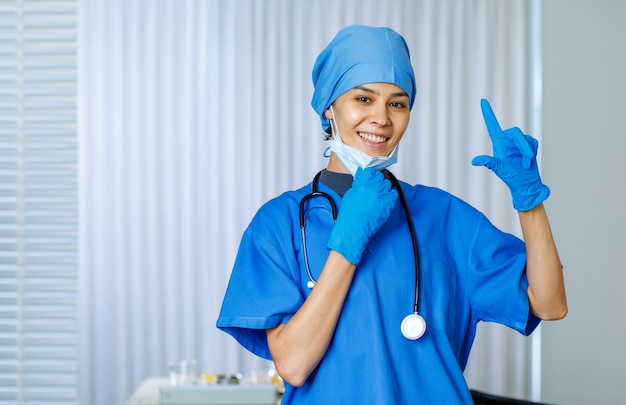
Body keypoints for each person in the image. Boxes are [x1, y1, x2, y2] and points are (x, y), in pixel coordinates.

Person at [216, 25, 567, 404]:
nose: (381, 118)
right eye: (363, 99)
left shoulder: (441, 216)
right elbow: (295, 364)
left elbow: (549, 304)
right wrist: (349, 241)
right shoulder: (277, 224)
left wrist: (529, 201)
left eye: (397, 103)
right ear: (329, 107)